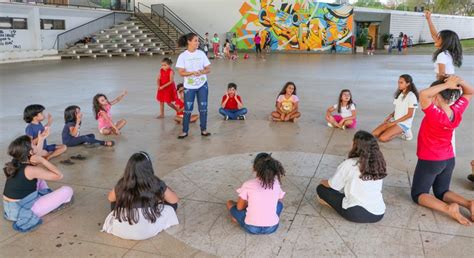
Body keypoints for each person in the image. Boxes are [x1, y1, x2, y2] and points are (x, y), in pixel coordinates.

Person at [411, 75, 473, 225]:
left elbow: (423, 94)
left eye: (434, 95)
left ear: (437, 96)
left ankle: (448, 209)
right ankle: (469, 203)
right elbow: (470, 92)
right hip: (448, 159)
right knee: (441, 191)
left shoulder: (434, 114)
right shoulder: (456, 111)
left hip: (431, 160)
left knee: (419, 194)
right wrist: (458, 81)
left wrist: (446, 85)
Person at [3, 135, 73, 232]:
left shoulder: (16, 162)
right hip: (23, 210)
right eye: (33, 144)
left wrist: (42, 139)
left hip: (10, 209)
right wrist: (42, 160)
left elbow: (36, 152)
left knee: (40, 179)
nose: (36, 145)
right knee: (67, 190)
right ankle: (54, 204)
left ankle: (48, 201)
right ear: (30, 152)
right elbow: (59, 175)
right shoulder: (30, 169)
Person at [102, 152, 179, 240]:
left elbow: (110, 198)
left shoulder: (123, 183)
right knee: (172, 206)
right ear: (148, 167)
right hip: (147, 230)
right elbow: (174, 200)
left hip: (122, 230)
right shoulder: (155, 182)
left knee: (114, 202)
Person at [317, 131, 386, 223]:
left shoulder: (350, 164)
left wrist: (322, 182)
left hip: (356, 213)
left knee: (321, 189)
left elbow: (333, 185)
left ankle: (334, 205)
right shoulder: (378, 164)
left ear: (355, 145)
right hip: (378, 213)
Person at [226, 153, 285, 234]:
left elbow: (239, 208)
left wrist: (249, 204)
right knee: (280, 203)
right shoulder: (276, 183)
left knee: (230, 203)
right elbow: (280, 199)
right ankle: (271, 218)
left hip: (252, 228)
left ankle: (237, 219)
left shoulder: (248, 184)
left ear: (254, 168)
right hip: (272, 228)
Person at [175, 33, 212, 139]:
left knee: (203, 108)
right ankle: (185, 131)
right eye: (195, 40)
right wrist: (191, 73)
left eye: (198, 40)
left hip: (202, 85)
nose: (197, 43)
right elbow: (181, 72)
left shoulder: (201, 54)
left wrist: (202, 72)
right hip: (189, 87)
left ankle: (203, 129)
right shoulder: (183, 56)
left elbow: (208, 69)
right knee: (188, 109)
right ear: (189, 42)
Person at [372, 74, 419, 142]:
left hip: (404, 123)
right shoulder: (400, 94)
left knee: (382, 138)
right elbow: (398, 108)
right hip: (394, 120)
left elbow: (410, 115)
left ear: (408, 84)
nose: (399, 84)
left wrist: (393, 123)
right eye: (398, 82)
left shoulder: (411, 96)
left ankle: (403, 132)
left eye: (401, 82)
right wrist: (390, 116)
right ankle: (393, 130)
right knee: (374, 134)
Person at [425, 11, 463, 80]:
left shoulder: (442, 55)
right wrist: (429, 19)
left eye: (438, 38)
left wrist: (436, 87)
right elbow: (434, 35)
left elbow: (442, 75)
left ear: (445, 42)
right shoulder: (447, 53)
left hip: (445, 83)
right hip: (449, 82)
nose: (435, 39)